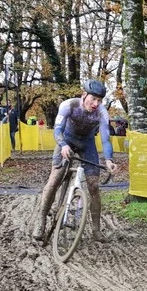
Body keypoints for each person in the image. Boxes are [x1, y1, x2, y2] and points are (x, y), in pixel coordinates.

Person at [32, 79, 117, 243]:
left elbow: (106, 139)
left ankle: (96, 230)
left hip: (87, 144)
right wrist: (63, 145)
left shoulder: (102, 113)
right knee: (55, 179)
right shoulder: (69, 105)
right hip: (67, 140)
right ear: (84, 95)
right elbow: (57, 129)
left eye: (99, 100)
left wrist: (108, 159)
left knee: (94, 185)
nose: (96, 104)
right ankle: (41, 219)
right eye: (93, 99)